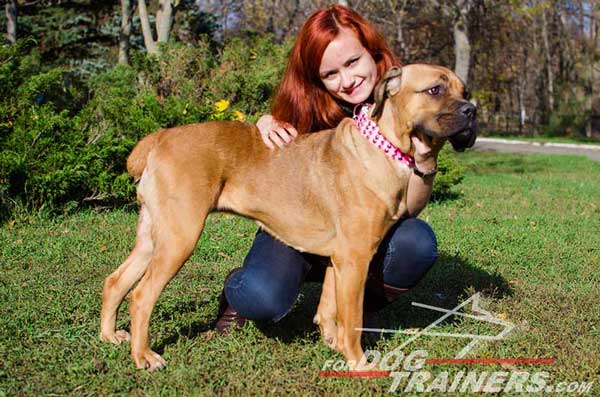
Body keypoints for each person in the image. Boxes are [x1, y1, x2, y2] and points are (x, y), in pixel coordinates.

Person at [216, 4, 438, 334]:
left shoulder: (405, 94)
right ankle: (238, 288)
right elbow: (259, 159)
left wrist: (425, 161)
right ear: (315, 77)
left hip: (364, 227)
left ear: (371, 51)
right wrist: (262, 125)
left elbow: (410, 207)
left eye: (352, 62)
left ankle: (358, 308)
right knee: (261, 297)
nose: (347, 81)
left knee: (415, 243)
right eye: (330, 74)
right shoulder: (305, 102)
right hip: (295, 227)